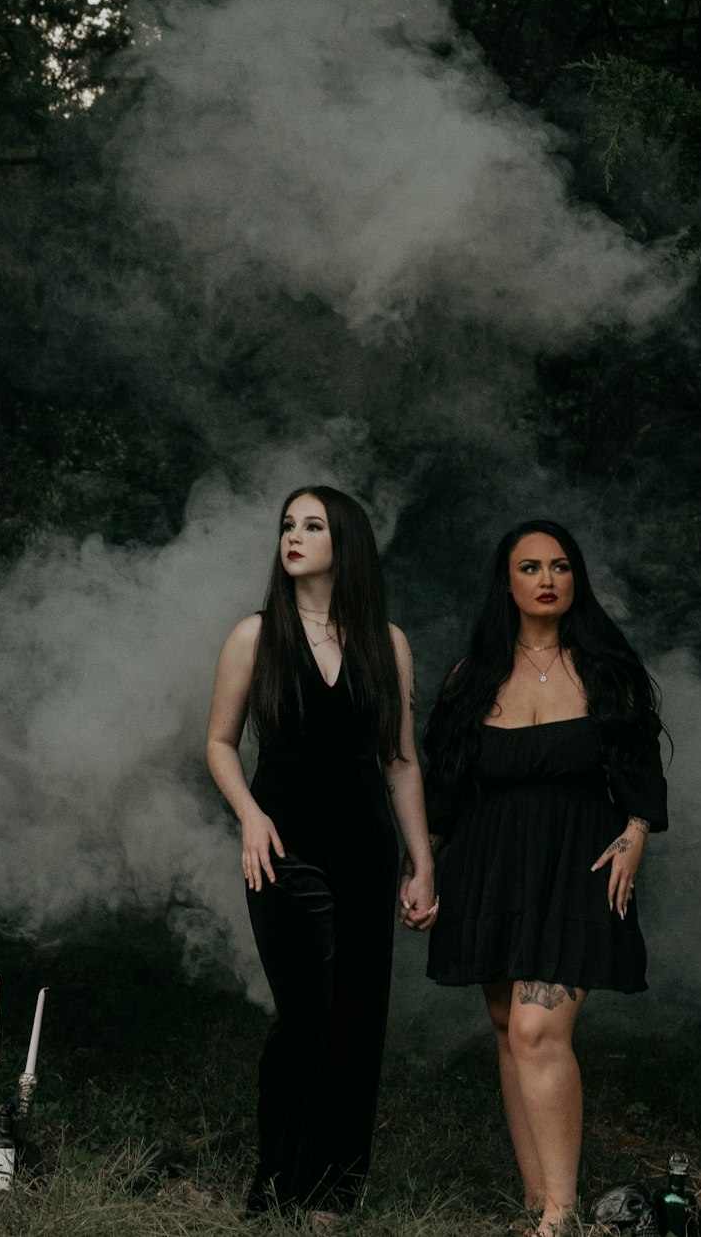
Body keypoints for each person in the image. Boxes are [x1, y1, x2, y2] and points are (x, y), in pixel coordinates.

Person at [424, 519, 668, 1237]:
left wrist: (636, 834)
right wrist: (424, 869)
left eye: (560, 566)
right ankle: (538, 1202)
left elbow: (640, 771)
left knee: (536, 1030)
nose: (546, 579)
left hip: (576, 865)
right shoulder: (471, 678)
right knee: (507, 1028)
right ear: (507, 581)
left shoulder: (604, 669)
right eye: (530, 567)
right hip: (489, 865)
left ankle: (561, 1215)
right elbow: (443, 790)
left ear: (575, 579)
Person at [205, 485, 437, 1219]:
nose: (294, 535)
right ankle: (275, 1188)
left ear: (347, 541)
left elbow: (400, 763)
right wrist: (248, 816)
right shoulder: (254, 635)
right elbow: (218, 743)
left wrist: (421, 860)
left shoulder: (386, 642)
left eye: (312, 524)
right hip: (283, 845)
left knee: (358, 1013)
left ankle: (333, 1195)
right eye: (287, 525)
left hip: (365, 846)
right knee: (306, 1012)